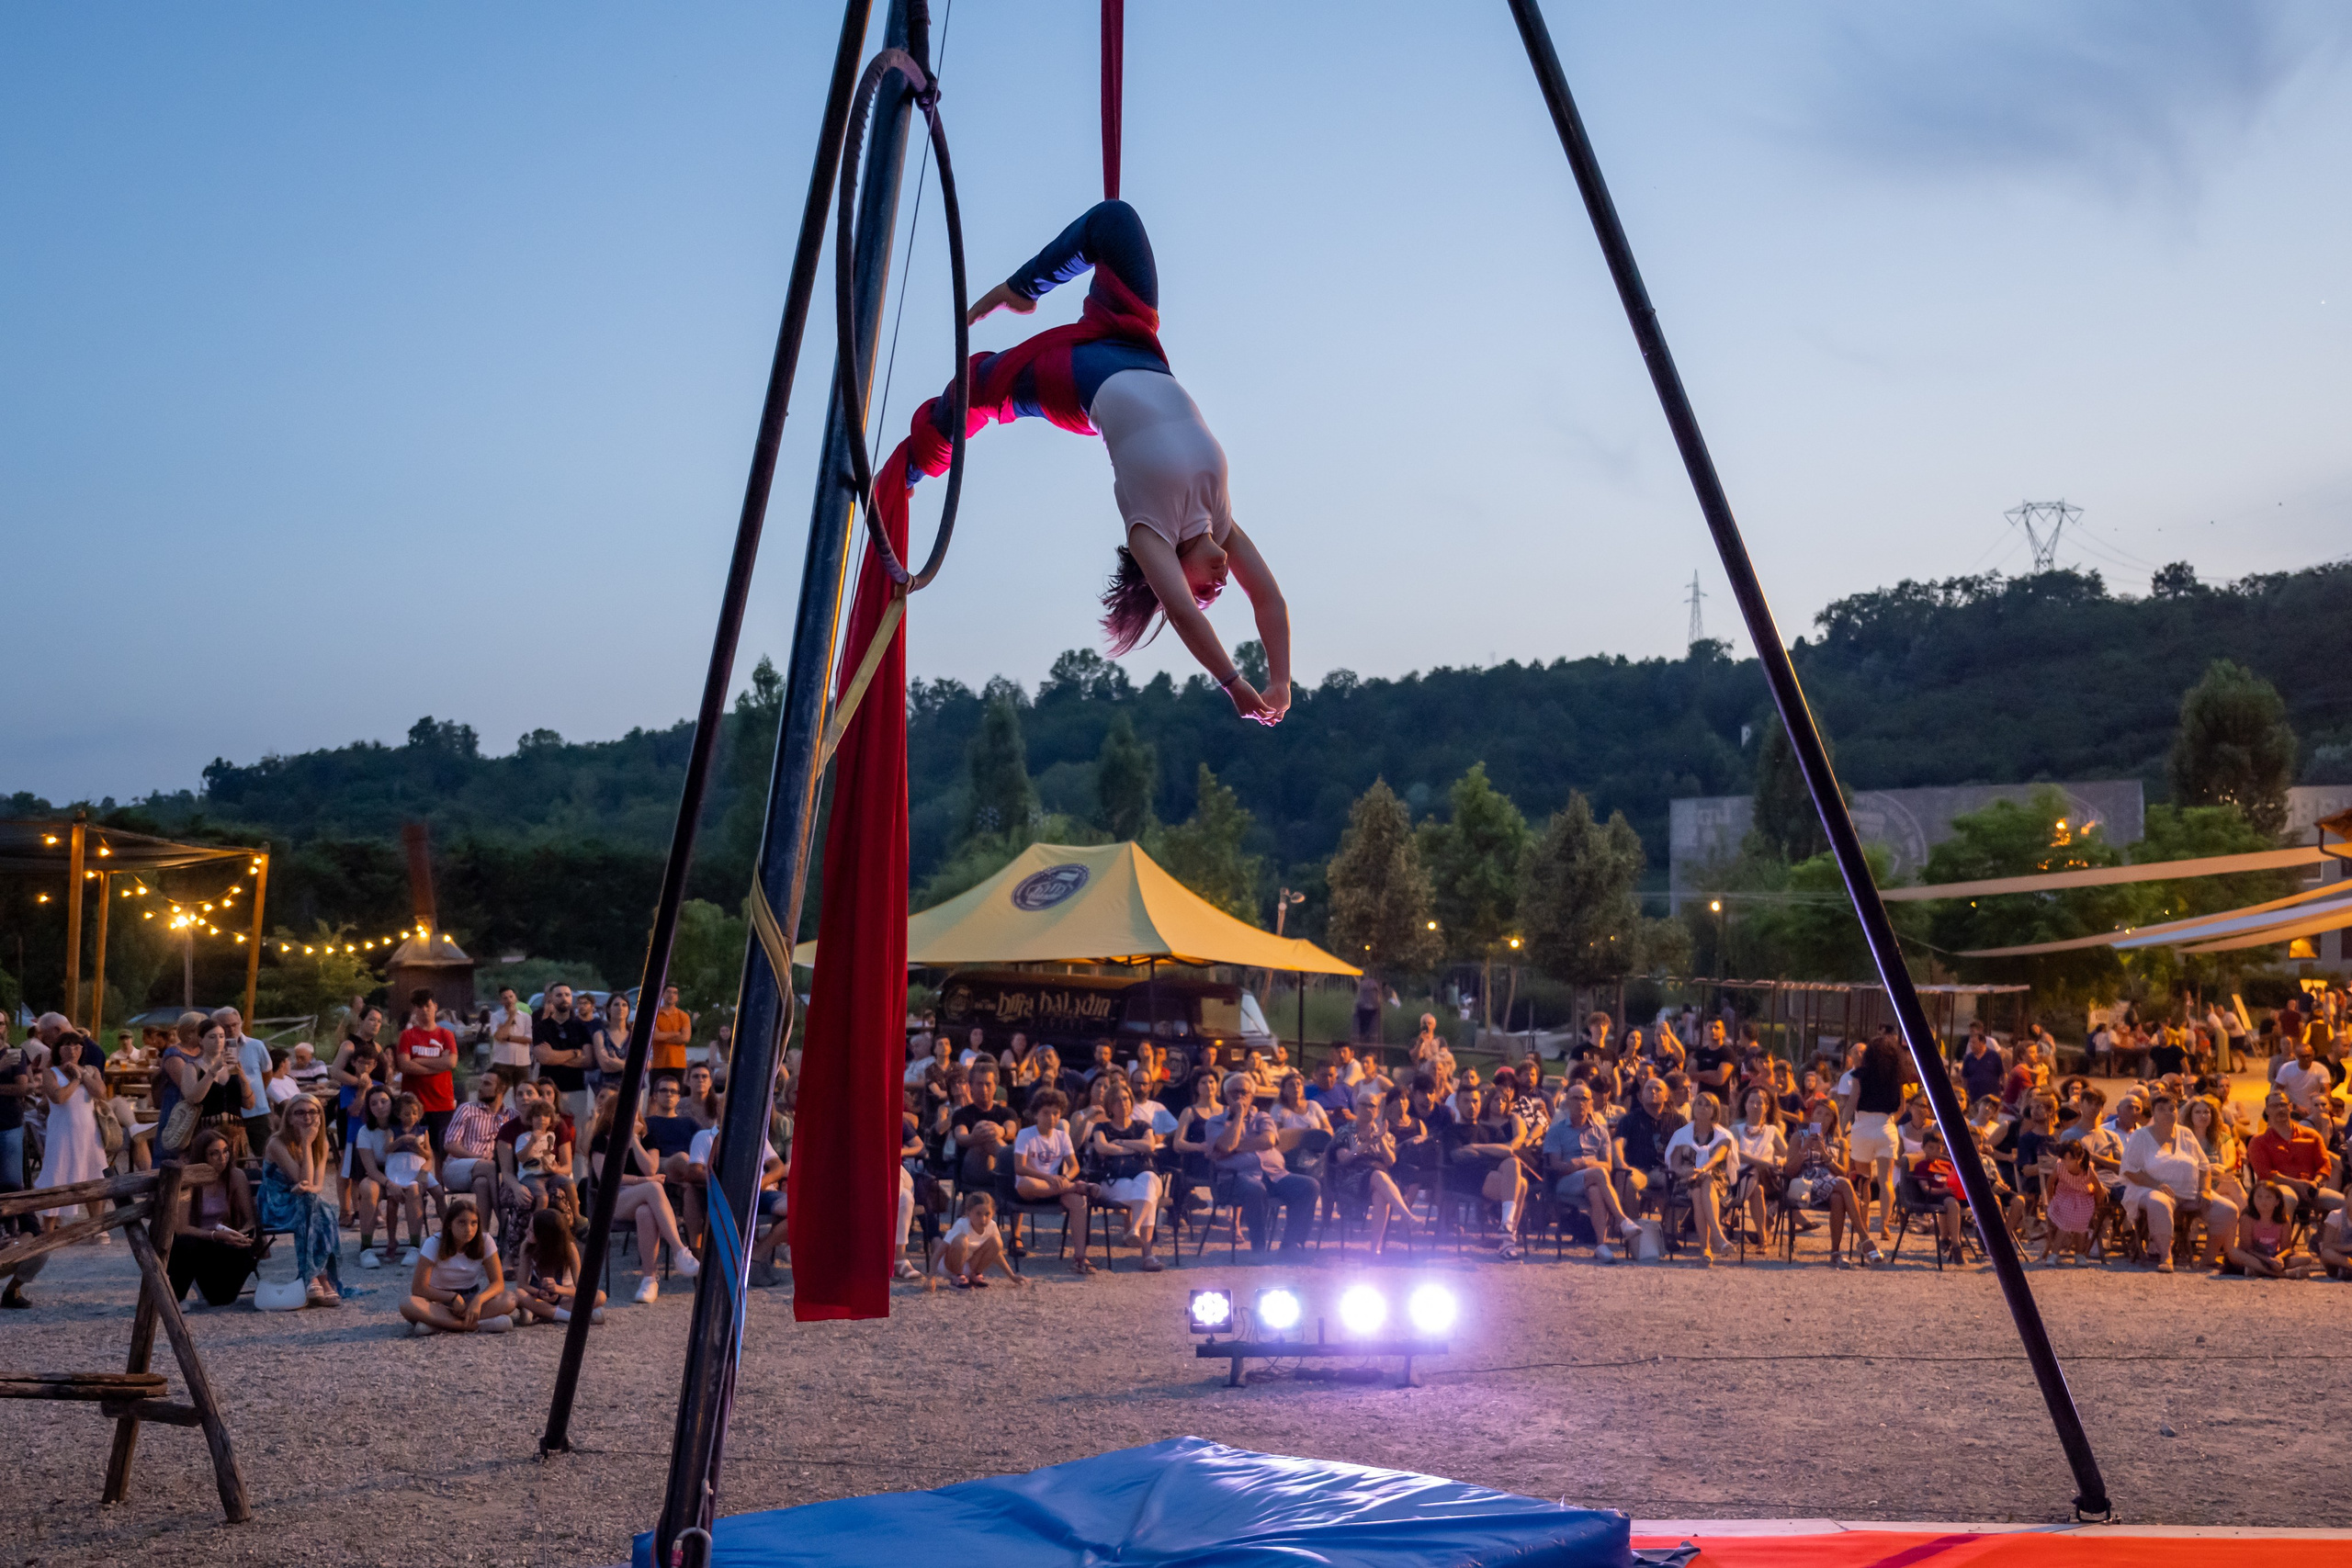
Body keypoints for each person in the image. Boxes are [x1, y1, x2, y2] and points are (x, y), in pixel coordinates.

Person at [888, 201, 1290, 720]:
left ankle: (910, 470)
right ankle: (1022, 289)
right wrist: (1280, 679)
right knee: (1116, 221)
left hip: (1078, 381)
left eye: (1204, 592)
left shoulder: (1151, 532)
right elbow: (1269, 602)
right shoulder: (1222, 521)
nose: (1217, 587)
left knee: (975, 389)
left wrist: (1235, 685)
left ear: (1166, 571)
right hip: (1136, 343)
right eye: (1217, 592)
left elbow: (1184, 614)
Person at [584, 1089, 701, 1303]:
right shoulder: (602, 1140)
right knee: (654, 1188)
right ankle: (679, 1250)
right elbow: (607, 1178)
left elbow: (650, 1168)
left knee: (645, 1212)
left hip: (644, 1200)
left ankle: (649, 1281)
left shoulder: (648, 1138)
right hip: (613, 1199)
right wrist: (643, 1182)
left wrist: (634, 1140)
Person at [2121, 1093, 2238, 1273]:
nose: (2168, 1113)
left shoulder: (2185, 1133)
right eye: (2162, 1109)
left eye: (2172, 1109)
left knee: (2228, 1209)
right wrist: (2156, 1185)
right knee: (2159, 1202)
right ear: (2153, 1112)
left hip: (2189, 1191)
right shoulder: (2141, 1136)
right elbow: (2129, 1169)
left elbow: (2204, 1166)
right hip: (2150, 1188)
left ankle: (2208, 1258)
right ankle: (2165, 1256)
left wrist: (2205, 1190)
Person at [1205, 1074, 1319, 1255]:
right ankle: (1258, 1247)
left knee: (1309, 1186)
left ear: (1252, 1096)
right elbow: (1227, 1145)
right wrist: (1238, 1117)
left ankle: (1291, 1245)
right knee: (1255, 1188)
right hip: (1236, 1179)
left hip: (1275, 1175)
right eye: (1234, 1092)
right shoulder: (1215, 1122)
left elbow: (1268, 1140)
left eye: (1244, 1092)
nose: (1240, 1097)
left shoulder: (1262, 1117)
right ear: (1226, 1096)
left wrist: (1235, 1148)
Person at [260, 1095, 343, 1306]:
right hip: (276, 1205)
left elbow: (315, 1185)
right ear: (289, 1118)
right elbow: (302, 1180)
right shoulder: (277, 1143)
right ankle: (318, 1277)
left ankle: (314, 1276)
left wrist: (307, 1187)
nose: (307, 1117)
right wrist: (306, 1143)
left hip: (304, 1203)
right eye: (300, 1112)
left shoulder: (321, 1142)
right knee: (319, 1207)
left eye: (312, 1112)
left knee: (315, 1204)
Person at [1544, 1083, 1639, 1262]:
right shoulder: (1556, 1131)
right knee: (1599, 1174)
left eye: (1584, 1099)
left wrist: (1584, 1162)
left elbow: (1608, 1165)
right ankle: (1622, 1220)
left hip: (1593, 1179)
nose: (1580, 1102)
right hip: (1566, 1182)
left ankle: (1601, 1246)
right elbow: (1554, 1165)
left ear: (1591, 1103)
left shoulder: (1601, 1132)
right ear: (1567, 1103)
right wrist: (1570, 1165)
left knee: (1596, 1189)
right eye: (1575, 1098)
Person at [169, 1128, 260, 1305]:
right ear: (202, 1156)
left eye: (226, 1151)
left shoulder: (235, 1176)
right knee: (186, 1243)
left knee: (222, 1299)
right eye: (214, 1154)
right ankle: (178, 1296)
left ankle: (207, 1284)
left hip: (224, 1240)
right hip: (197, 1241)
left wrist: (239, 1234)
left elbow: (250, 1219)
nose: (222, 1158)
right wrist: (216, 1235)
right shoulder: (189, 1179)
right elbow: (182, 1228)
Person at [1011, 1090, 1096, 1277]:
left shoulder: (1062, 1137)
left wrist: (1065, 1178)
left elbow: (1074, 1166)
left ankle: (1080, 1257)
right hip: (1033, 1188)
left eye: (1056, 1113)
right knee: (1026, 1183)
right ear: (1036, 1114)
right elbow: (1020, 1168)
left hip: (1057, 1188)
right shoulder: (1025, 1134)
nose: (1051, 1117)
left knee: (1079, 1202)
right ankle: (1078, 1186)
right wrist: (1049, 1178)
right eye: (1046, 1113)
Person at [400, 1199, 515, 1334]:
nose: (468, 1229)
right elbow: (419, 1288)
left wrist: (479, 1300)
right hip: (439, 1301)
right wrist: (452, 1297)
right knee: (407, 1303)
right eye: (462, 1222)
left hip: (471, 1300)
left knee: (509, 1299)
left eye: (474, 1223)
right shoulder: (433, 1243)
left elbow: (498, 1283)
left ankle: (438, 1325)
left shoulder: (485, 1240)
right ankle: (476, 1326)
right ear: (449, 1224)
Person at [1084, 1076, 1164, 1269]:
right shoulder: (1101, 1127)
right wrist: (1136, 1148)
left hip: (1140, 1178)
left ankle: (1134, 1228)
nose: (1123, 1103)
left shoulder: (1142, 1126)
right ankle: (1147, 1256)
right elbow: (1102, 1148)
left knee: (1149, 1179)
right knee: (1148, 1194)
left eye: (1126, 1098)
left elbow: (1150, 1145)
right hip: (1112, 1182)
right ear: (1109, 1106)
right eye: (1117, 1100)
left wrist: (1120, 1142)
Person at [33, 1033, 110, 1232]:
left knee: (94, 1178)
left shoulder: (91, 1070)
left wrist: (82, 1074)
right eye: (67, 1046)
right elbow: (58, 1097)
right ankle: (48, 1228)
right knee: (56, 1176)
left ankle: (97, 1227)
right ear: (58, 1049)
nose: (72, 1050)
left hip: (90, 1136)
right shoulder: (51, 1073)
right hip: (62, 1135)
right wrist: (76, 1080)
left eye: (77, 1046)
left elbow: (101, 1093)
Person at [1784, 1100, 1875, 1266]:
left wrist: (1825, 1155)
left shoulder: (1840, 1142)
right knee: (1845, 1186)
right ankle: (1864, 1238)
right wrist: (1804, 1151)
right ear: (1812, 1116)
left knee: (1838, 1197)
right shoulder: (1798, 1137)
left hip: (1832, 1184)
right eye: (1819, 1113)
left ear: (1833, 1119)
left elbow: (1844, 1173)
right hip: (1806, 1186)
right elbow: (1789, 1171)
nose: (1822, 1118)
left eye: (1828, 1115)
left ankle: (1835, 1252)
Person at [1329, 1085, 1418, 1254]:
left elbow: (1391, 1161)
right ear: (1356, 1107)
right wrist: (1367, 1144)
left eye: (1371, 1106)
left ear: (1377, 1111)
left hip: (1379, 1182)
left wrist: (1381, 1140)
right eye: (1363, 1104)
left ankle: (1374, 1250)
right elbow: (1344, 1159)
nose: (1367, 1109)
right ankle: (1407, 1217)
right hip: (1350, 1179)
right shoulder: (1344, 1132)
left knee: (1380, 1194)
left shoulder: (1386, 1134)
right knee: (1379, 1176)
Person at [1848, 1030, 1913, 1240]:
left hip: (1863, 1127)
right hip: (1886, 1127)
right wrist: (1890, 1122)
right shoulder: (1897, 1077)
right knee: (1885, 1181)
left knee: (1864, 1180)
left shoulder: (1859, 1074)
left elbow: (1852, 1102)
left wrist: (1842, 1127)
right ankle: (1884, 1225)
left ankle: (1864, 1221)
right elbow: (1902, 1109)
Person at [1664, 1090, 1739, 1263]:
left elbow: (1718, 1157)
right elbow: (1674, 1167)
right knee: (1700, 1185)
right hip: (1685, 1180)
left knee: (1702, 1185)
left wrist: (1702, 1169)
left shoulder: (1723, 1136)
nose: (1703, 1108)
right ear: (1693, 1107)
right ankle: (1717, 1236)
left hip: (1716, 1182)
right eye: (1699, 1103)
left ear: (1715, 1110)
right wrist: (1690, 1173)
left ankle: (1705, 1249)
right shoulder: (1681, 1134)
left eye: (1708, 1105)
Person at [532, 983, 595, 1172]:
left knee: (575, 1137)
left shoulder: (581, 1028)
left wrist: (556, 1057)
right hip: (548, 1091)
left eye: (567, 995)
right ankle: (548, 1177)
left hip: (576, 1090)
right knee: (546, 1136)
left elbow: (589, 1060)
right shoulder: (541, 1028)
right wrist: (575, 1053)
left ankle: (576, 1184)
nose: (564, 998)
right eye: (559, 995)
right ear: (551, 999)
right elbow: (544, 1057)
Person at [2249, 1091, 2341, 1218]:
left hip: (2311, 1188)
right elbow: (2266, 1173)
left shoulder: (2312, 1135)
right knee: (2288, 1198)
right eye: (2275, 1106)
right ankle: (2283, 1238)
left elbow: (2325, 1166)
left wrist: (2316, 1182)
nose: (2280, 1109)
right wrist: (2297, 1184)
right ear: (2267, 1110)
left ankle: (2323, 1236)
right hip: (2279, 1189)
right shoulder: (2259, 1140)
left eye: (2283, 1105)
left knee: (2345, 1203)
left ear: (2290, 1107)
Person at [391, 989, 458, 1156]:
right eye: (420, 1007)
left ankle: (439, 1183)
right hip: (414, 1103)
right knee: (414, 1149)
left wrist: (418, 1060)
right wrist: (438, 1066)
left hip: (442, 1102)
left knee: (441, 1151)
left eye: (428, 1006)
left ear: (435, 1007)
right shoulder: (407, 1035)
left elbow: (451, 1062)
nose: (424, 1010)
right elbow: (405, 1065)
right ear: (414, 1009)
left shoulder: (446, 1035)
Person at [514, 1207, 605, 1325]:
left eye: (531, 1230)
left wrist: (558, 1289)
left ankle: (542, 1313)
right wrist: (539, 1292)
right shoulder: (527, 1246)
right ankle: (570, 1317)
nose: (526, 1232)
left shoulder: (570, 1249)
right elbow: (522, 1285)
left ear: (545, 1236)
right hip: (539, 1298)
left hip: (564, 1299)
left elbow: (582, 1289)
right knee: (518, 1294)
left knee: (600, 1296)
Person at [1613, 1075, 1681, 1221]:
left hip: (1666, 1171)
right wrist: (1621, 1163)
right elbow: (1618, 1143)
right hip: (1639, 1169)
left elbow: (1689, 1146)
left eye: (1658, 1089)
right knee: (1628, 1180)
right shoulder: (1630, 1119)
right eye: (1649, 1088)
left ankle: (1669, 1229)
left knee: (1683, 1184)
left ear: (1666, 1096)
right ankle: (1634, 1225)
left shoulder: (1678, 1120)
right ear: (1642, 1095)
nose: (1653, 1092)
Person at [380, 1092, 441, 1252]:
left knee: (440, 1193)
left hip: (417, 1165)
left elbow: (429, 1155)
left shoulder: (422, 1130)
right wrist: (401, 1140)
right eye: (407, 1113)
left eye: (415, 1113)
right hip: (399, 1165)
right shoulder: (393, 1130)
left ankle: (447, 1229)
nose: (412, 1117)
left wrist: (418, 1148)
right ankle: (392, 1239)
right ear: (398, 1114)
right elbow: (387, 1149)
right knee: (393, 1202)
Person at [212, 1007, 276, 1159]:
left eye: (235, 1024)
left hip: (257, 1111)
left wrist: (253, 1094)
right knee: (232, 1158)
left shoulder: (256, 1045)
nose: (232, 1029)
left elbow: (267, 1073)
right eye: (226, 1026)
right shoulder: (211, 1049)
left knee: (266, 1155)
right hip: (227, 1114)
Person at [1730, 1089, 1789, 1250]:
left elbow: (1788, 1154)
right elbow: (1736, 1155)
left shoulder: (1772, 1131)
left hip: (1769, 1178)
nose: (1755, 1106)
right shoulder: (1736, 1129)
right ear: (1745, 1105)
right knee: (1757, 1190)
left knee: (1756, 1172)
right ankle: (1763, 1241)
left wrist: (1780, 1160)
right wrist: (1764, 1163)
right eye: (1751, 1102)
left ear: (1767, 1107)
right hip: (1740, 1178)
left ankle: (1736, 1203)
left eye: (1759, 1102)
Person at [931, 1190, 1021, 1289]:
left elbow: (996, 1254)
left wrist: (1012, 1276)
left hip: (970, 1265)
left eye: (987, 1214)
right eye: (978, 1214)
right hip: (950, 1266)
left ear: (993, 1212)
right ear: (968, 1212)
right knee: (960, 1240)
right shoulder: (961, 1224)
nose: (983, 1219)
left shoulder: (992, 1226)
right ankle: (957, 1277)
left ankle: (975, 1275)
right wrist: (931, 1277)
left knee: (996, 1242)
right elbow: (939, 1252)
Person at [2227, 1180, 2314, 1280]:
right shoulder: (2247, 1218)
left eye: (2268, 1197)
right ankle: (2281, 1274)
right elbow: (2248, 1249)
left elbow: (2287, 1248)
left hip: (2273, 1256)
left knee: (2307, 1257)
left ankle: (2258, 1271)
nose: (2263, 1201)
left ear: (2277, 1201)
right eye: (2259, 1197)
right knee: (2233, 1252)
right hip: (2253, 1257)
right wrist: (2268, 1260)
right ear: (2253, 1200)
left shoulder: (2283, 1220)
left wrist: (2279, 1258)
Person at [650, 984, 695, 1082]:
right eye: (668, 992)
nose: (671, 995)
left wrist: (663, 1036)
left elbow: (685, 1038)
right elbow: (655, 1036)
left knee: (677, 1095)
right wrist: (675, 1033)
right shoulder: (655, 1015)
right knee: (655, 1095)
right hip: (658, 1064)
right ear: (662, 994)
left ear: (678, 997)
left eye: (675, 993)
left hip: (678, 1064)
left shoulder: (683, 1016)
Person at [489, 987, 535, 1074]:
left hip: (522, 1062)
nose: (509, 1000)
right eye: (505, 998)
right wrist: (511, 1017)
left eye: (511, 997)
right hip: (502, 1062)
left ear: (516, 998)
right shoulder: (495, 1016)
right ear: (501, 1001)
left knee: (522, 1087)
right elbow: (499, 1037)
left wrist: (508, 1038)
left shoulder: (526, 1017)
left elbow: (529, 1039)